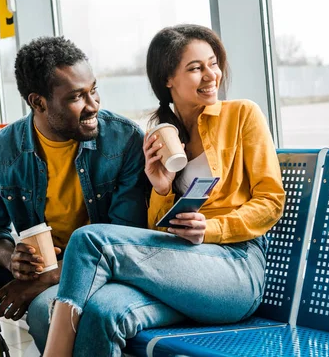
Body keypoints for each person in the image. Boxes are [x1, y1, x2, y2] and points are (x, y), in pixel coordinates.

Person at [42, 24, 286, 357]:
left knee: (89, 240)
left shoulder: (242, 115)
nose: (211, 75)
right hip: (181, 273)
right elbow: (157, 230)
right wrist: (161, 188)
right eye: (196, 68)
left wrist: (211, 229)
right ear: (168, 79)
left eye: (213, 64)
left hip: (235, 269)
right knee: (104, 312)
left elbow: (271, 202)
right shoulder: (161, 136)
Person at [0, 36, 147, 352]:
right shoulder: (3, 150)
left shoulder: (124, 140)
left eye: (93, 89)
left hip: (98, 264)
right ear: (39, 102)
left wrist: (43, 281)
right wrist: (13, 261)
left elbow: (122, 239)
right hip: (39, 263)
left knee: (43, 309)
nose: (93, 105)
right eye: (77, 96)